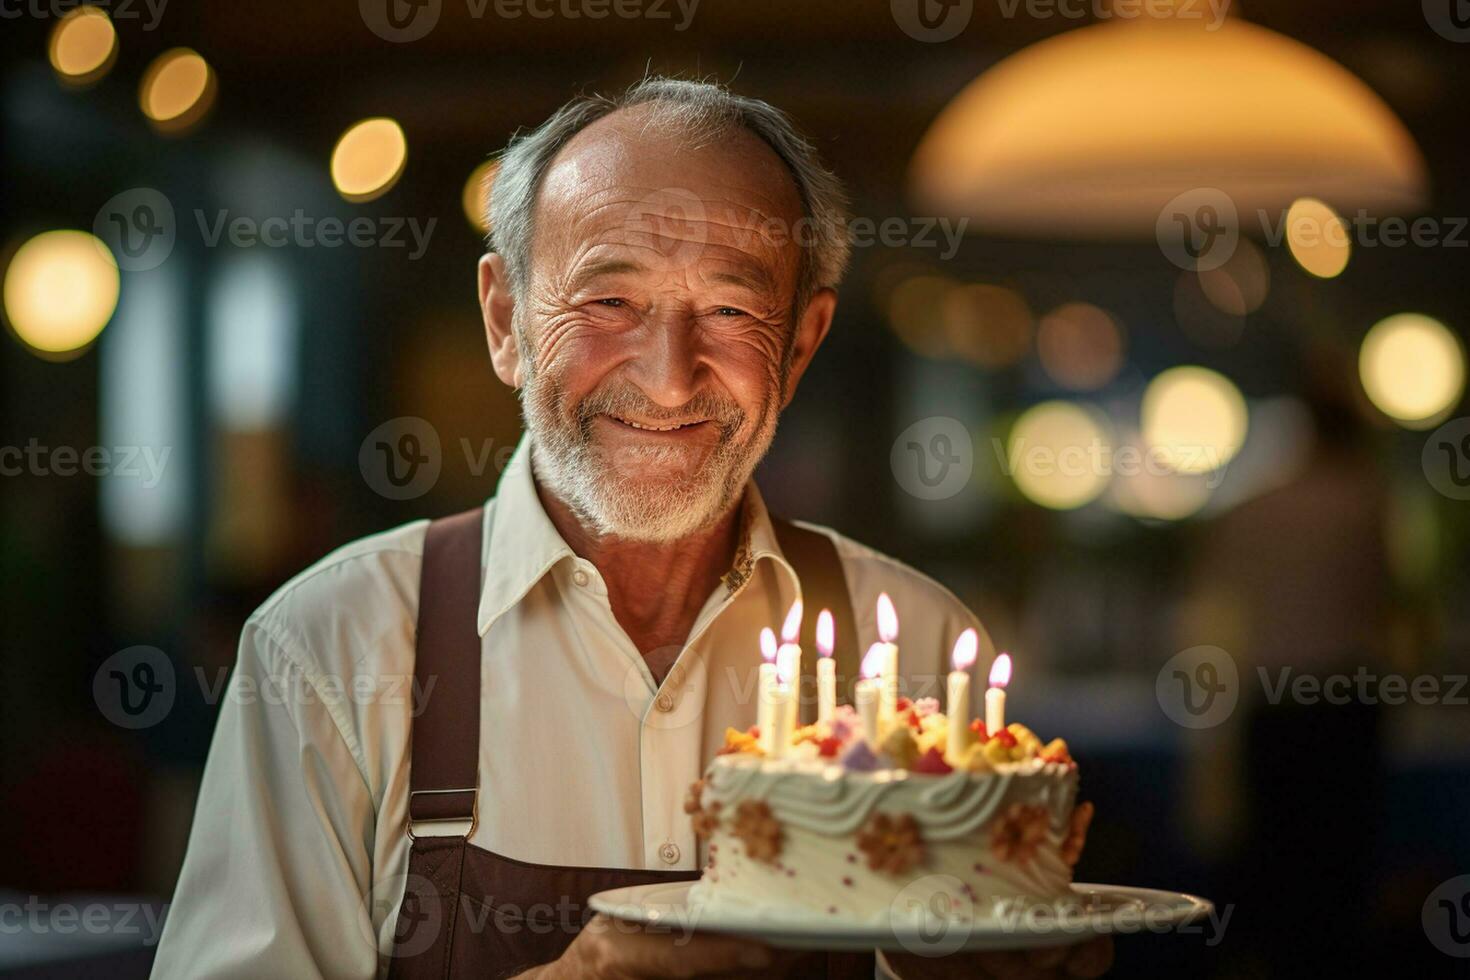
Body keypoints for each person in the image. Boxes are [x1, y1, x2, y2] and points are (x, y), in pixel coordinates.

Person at [151, 76, 1112, 979]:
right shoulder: (329, 648)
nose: (667, 374)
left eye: (731, 307)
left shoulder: (923, 647)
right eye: (609, 299)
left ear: (802, 342)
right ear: (505, 322)